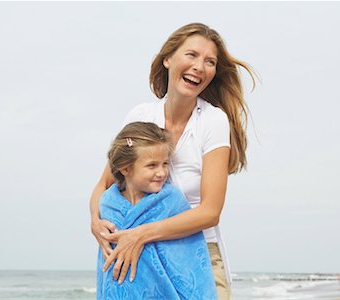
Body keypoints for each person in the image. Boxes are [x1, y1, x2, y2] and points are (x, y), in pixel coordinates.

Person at [90, 22, 256, 299]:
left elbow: (210, 212)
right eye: (191, 55)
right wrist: (94, 221)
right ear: (168, 58)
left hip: (198, 253)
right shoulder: (140, 115)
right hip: (141, 259)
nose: (199, 67)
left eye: (209, 62)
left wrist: (140, 233)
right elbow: (104, 184)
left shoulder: (212, 121)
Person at [97, 121, 217, 299]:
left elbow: (188, 260)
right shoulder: (108, 203)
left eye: (165, 164)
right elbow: (106, 260)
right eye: (152, 165)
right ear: (126, 168)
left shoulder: (172, 201)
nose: (161, 173)